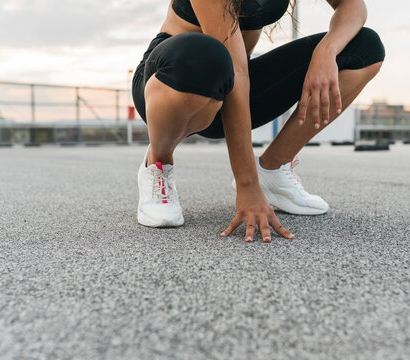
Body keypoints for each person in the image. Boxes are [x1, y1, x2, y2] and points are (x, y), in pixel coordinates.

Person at [132, 0, 385, 242]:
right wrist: (248, 186)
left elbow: (353, 5)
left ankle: (273, 168)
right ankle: (158, 163)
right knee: (207, 55)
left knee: (365, 48)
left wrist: (326, 51)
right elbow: (235, 68)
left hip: (233, 82)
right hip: (170, 80)